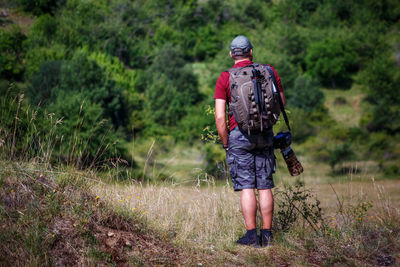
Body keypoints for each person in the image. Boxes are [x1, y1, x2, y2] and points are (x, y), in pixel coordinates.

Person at [214, 35, 285, 247]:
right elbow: (280, 103)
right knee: (264, 185)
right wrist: (266, 125)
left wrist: (226, 142)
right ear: (251, 52)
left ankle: (251, 236)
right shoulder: (269, 71)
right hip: (265, 133)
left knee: (246, 186)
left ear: (231, 54)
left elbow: (219, 117)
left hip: (239, 135)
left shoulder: (225, 77)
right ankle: (268, 235)